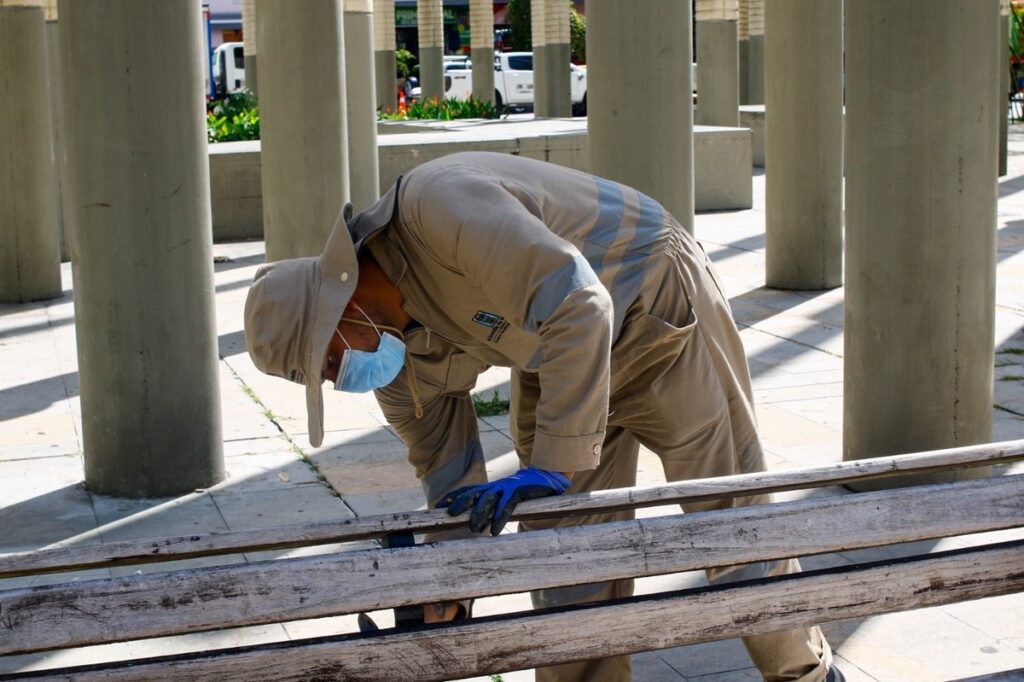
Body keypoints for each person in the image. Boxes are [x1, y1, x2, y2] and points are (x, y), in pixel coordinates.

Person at [243, 152, 842, 682]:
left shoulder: (438, 206)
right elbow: (452, 485)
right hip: (555, 361)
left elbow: (580, 303)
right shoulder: (395, 369)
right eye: (322, 381)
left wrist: (554, 464)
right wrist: (447, 588)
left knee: (731, 525)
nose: (337, 380)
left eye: (327, 362)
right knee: (567, 555)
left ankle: (808, 677)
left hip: (656, 306)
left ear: (340, 301)